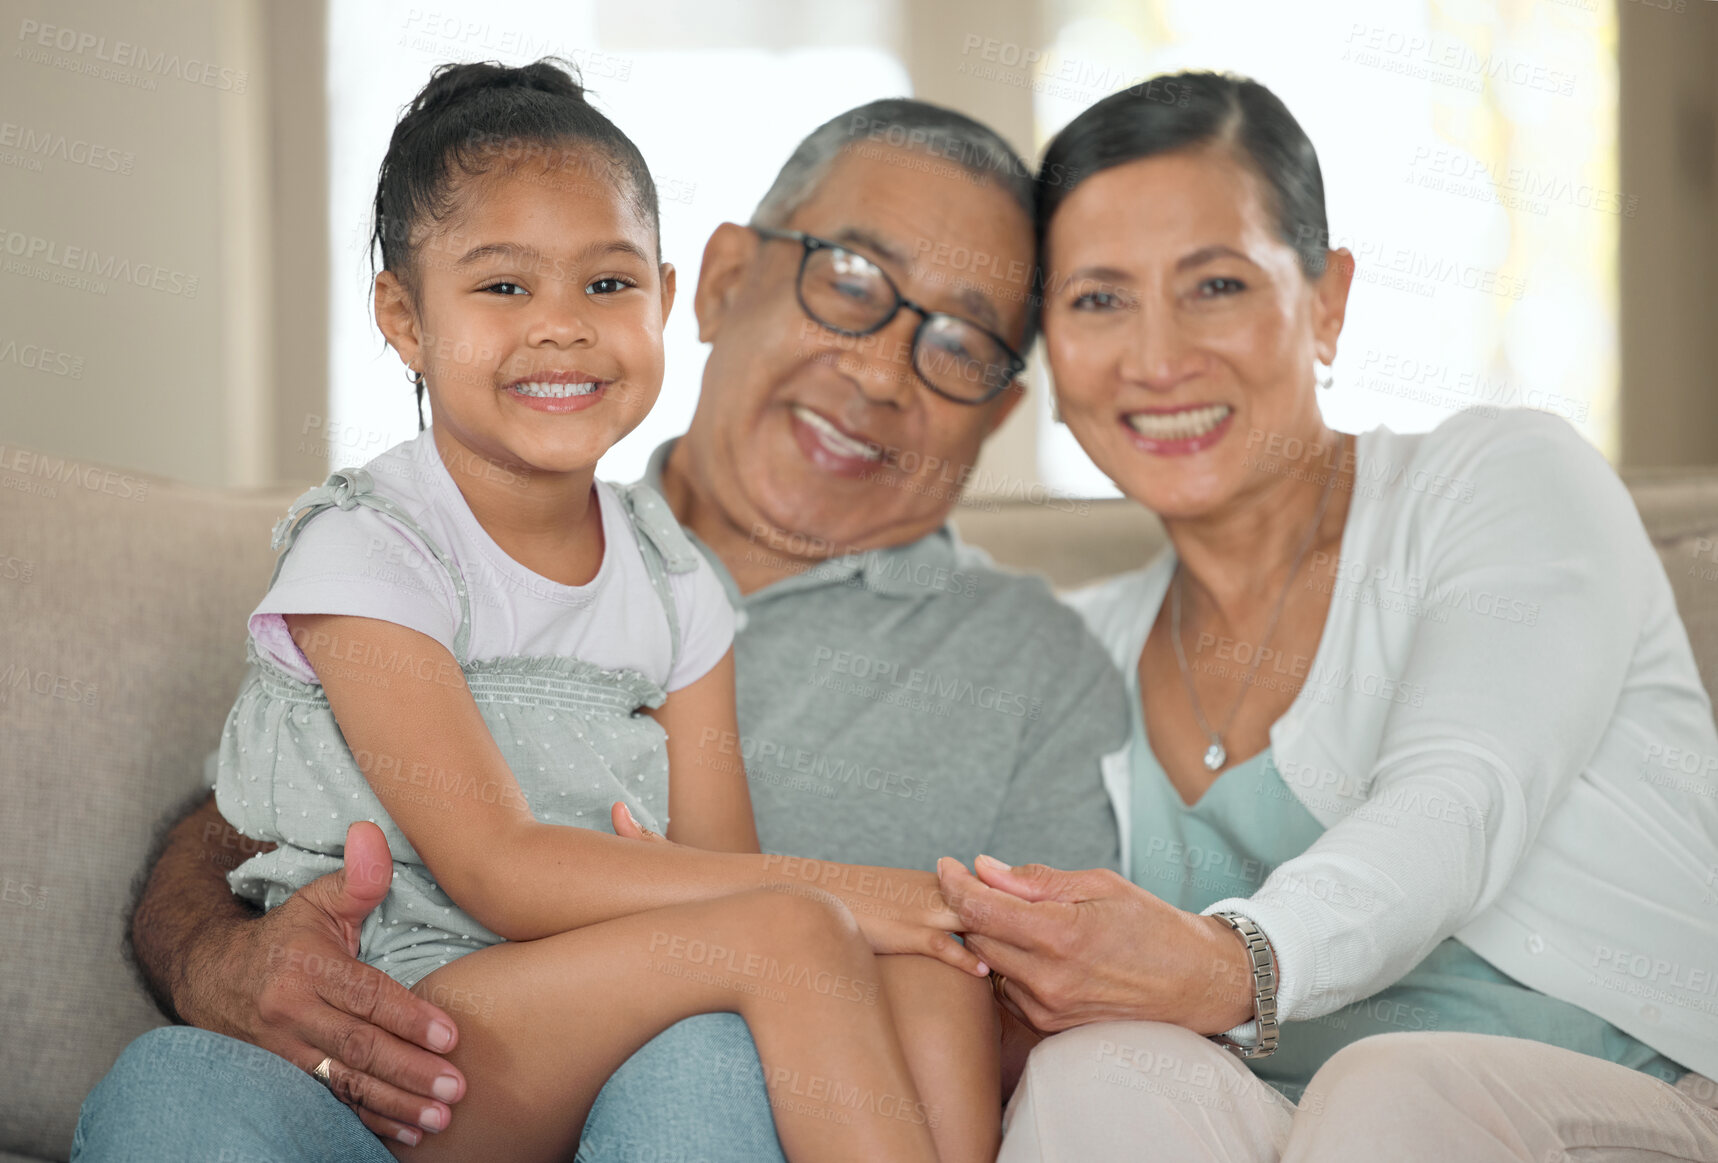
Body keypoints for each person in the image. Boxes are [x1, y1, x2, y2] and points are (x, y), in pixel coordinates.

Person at [73, 94, 1126, 1161]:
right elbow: (499, 866)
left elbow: (723, 870)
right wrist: (846, 896)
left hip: (612, 1033)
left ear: (661, 299)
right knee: (811, 925)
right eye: (503, 284)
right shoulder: (370, 546)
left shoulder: (677, 584)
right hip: (415, 1005)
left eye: (607, 283)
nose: (562, 322)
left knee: (918, 953)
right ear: (403, 317)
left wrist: (866, 917)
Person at [937, 71, 1718, 1161]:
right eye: (1097, 299)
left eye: (1213, 284)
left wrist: (1228, 962)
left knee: (1389, 1090)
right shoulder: (1074, 650)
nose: (1157, 358)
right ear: (1051, 360)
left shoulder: (1500, 484)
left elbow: (1459, 798)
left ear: (1327, 299)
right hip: (1282, 1127)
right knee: (1092, 1070)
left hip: (1642, 1096)